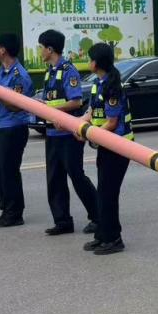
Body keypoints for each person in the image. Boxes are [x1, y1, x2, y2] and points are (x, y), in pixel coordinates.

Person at [37, 30, 98, 236]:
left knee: (77, 176)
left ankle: (98, 216)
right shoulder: (49, 72)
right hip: (52, 134)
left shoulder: (68, 70)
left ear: (50, 49)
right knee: (54, 179)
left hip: (68, 135)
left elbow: (76, 101)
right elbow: (52, 101)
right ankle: (62, 221)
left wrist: (50, 110)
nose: (40, 51)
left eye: (41, 47)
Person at [77, 42, 133, 255]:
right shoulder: (98, 83)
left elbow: (112, 122)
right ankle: (102, 236)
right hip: (106, 145)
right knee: (103, 194)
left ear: (97, 63)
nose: (88, 62)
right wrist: (78, 125)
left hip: (118, 147)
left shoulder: (112, 86)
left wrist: (89, 135)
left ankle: (114, 239)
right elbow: (91, 111)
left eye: (90, 58)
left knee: (108, 194)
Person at [0, 32, 32, 227]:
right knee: (2, 170)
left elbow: (16, 105)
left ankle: (15, 213)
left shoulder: (19, 76)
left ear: (3, 50)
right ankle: (6, 210)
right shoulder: (3, 71)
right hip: (2, 127)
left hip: (14, 128)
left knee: (9, 171)